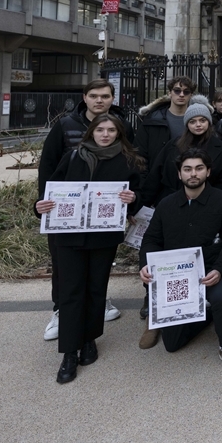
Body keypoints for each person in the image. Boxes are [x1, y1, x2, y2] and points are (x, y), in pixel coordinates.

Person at [34, 114, 143, 383]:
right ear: (91, 132)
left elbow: (137, 199)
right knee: (71, 291)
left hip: (103, 237)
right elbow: (51, 190)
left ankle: (90, 339)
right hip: (68, 236)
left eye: (111, 130)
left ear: (119, 134)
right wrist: (40, 207)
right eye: (100, 130)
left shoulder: (129, 161)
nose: (105, 134)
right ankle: (69, 351)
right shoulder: (73, 157)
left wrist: (133, 199)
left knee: (96, 289)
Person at [138, 150, 222, 374]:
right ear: (179, 174)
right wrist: (145, 265)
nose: (193, 174)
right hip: (175, 277)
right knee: (172, 344)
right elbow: (151, 240)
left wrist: (220, 269)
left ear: (208, 171)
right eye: (187, 169)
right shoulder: (166, 205)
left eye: (199, 168)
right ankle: (205, 315)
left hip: (210, 273)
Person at [38, 79, 127, 341]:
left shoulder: (122, 126)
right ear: (85, 97)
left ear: (112, 98)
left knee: (99, 266)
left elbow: (130, 164)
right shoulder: (66, 125)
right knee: (64, 265)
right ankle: (61, 310)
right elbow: (48, 167)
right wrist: (45, 204)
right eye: (95, 96)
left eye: (105, 96)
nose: (100, 100)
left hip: (104, 214)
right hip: (67, 212)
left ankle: (96, 308)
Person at [140, 95, 222, 207]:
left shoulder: (219, 146)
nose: (198, 125)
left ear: (209, 122)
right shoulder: (173, 145)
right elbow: (155, 176)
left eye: (202, 120)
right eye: (192, 121)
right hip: (172, 203)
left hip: (208, 204)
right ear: (187, 124)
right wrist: (142, 204)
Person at [135, 76, 196, 180]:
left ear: (191, 95)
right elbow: (140, 155)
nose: (181, 95)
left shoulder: (199, 121)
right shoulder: (152, 120)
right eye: (177, 91)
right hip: (158, 179)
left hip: (191, 177)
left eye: (186, 92)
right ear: (169, 93)